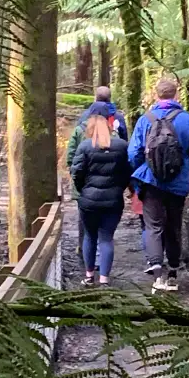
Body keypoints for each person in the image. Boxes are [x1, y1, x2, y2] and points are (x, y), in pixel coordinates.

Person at [128, 78, 189, 293]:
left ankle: (157, 276)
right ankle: (172, 275)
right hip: (177, 184)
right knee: (173, 226)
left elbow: (133, 152)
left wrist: (140, 174)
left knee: (153, 226)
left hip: (151, 182)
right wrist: (184, 172)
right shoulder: (188, 121)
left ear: (156, 95)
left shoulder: (145, 120)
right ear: (176, 95)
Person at [70, 112, 131, 286]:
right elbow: (128, 170)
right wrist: (120, 188)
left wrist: (84, 189)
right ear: (110, 127)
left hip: (89, 200)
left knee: (89, 236)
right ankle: (104, 278)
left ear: (90, 129)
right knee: (106, 238)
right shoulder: (122, 146)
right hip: (113, 200)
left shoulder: (85, 146)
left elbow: (77, 172)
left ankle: (89, 276)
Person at [66, 90, 126, 256]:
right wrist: (119, 185)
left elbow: (71, 157)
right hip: (111, 189)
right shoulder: (117, 123)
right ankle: (102, 268)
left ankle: (86, 258)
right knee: (105, 234)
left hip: (86, 187)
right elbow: (125, 159)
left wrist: (78, 181)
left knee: (86, 226)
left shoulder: (80, 128)